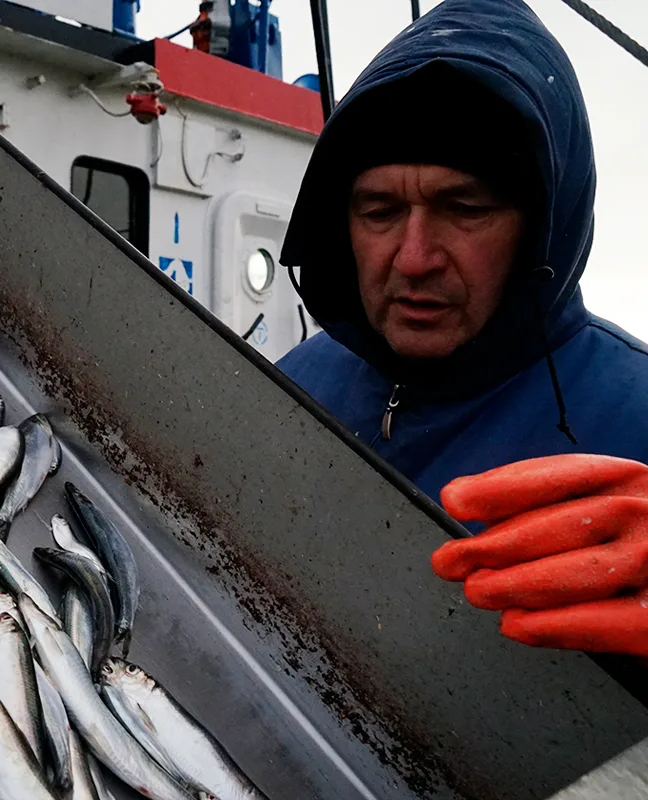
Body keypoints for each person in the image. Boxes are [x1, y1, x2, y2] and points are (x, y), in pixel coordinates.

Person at [276, 0, 648, 658]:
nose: (414, 259)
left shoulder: (638, 420)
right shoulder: (295, 382)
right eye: (380, 210)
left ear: (541, 227)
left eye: (464, 207)